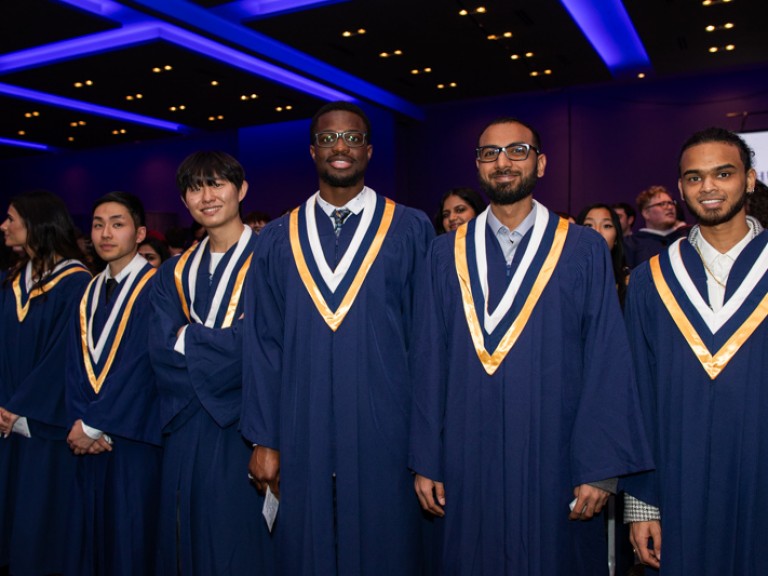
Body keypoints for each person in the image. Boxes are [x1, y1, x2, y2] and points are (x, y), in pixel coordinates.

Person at [409, 117, 652, 575]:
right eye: (489, 153)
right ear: (478, 167)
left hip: (556, 458)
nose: (503, 162)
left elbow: (606, 360)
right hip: (465, 456)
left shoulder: (581, 248)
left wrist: (600, 467)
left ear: (541, 164)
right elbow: (428, 360)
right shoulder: (445, 254)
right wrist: (426, 458)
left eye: (517, 150)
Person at [242, 101, 434, 575]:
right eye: (328, 139)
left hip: (387, 426)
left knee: (387, 543)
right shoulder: (275, 238)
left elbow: (428, 342)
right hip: (299, 423)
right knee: (307, 548)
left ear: (369, 150)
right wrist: (264, 438)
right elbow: (264, 344)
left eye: (352, 138)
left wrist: (427, 444)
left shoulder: (410, 228)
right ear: (312, 151)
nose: (340, 146)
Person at [623, 127, 767, 574]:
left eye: (723, 173)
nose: (707, 187)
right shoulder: (651, 280)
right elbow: (636, 397)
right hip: (678, 484)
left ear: (749, 179)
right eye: (693, 178)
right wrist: (642, 506)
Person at [148, 151, 273, 575]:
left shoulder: (274, 260)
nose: (207, 196)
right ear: (184, 201)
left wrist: (192, 338)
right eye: (195, 187)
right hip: (187, 421)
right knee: (187, 539)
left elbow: (265, 345)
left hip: (251, 423)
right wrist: (223, 344)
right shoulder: (172, 273)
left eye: (217, 183)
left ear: (241, 190)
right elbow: (161, 348)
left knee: (241, 542)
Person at [64, 192, 161, 576]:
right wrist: (80, 422)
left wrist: (94, 423)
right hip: (92, 438)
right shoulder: (89, 289)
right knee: (94, 541)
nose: (105, 233)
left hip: (134, 437)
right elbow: (74, 364)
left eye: (117, 224)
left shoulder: (158, 287)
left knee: (133, 539)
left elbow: (144, 366)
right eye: (98, 224)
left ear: (138, 233)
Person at [0, 190, 92, 576]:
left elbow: (64, 359)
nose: (3, 226)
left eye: (11, 218)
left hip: (44, 425)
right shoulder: (11, 279)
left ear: (36, 224)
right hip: (6, 418)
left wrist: (21, 409)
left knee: (42, 520)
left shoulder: (75, 283)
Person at [576, 203, 628, 306]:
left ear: (616, 238)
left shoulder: (629, 283)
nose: (597, 231)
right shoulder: (562, 279)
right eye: (588, 225)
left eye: (607, 226)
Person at [624, 186, 686, 268]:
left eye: (671, 203)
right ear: (646, 213)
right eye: (662, 204)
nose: (670, 207)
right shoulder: (631, 244)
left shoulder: (687, 237)